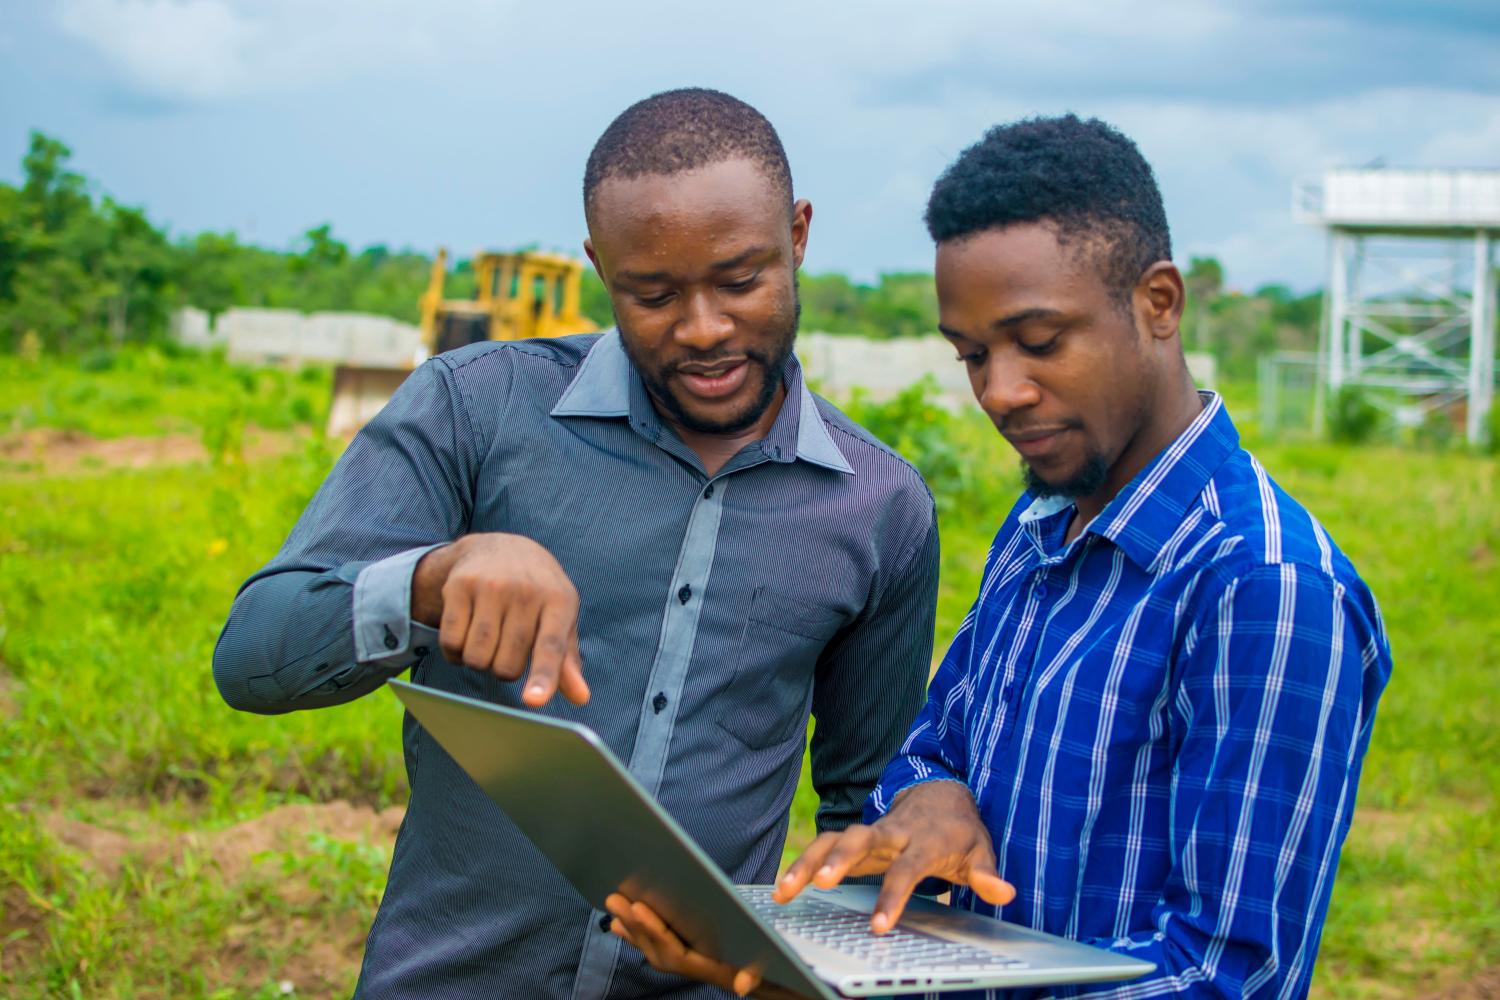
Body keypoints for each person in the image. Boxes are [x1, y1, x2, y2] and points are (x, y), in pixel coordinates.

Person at [608, 115, 1393, 999]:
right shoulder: (1040, 526)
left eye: (1042, 342)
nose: (1001, 392)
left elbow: (1225, 978)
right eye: (972, 355)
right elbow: (932, 749)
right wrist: (928, 803)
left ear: (1159, 303)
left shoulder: (1266, 589)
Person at [212, 88, 940, 999]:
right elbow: (251, 658)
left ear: (797, 236)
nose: (704, 327)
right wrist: (432, 580)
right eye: (653, 293)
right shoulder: (471, 409)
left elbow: (864, 804)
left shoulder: (882, 507)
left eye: (741, 279)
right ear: (600, 265)